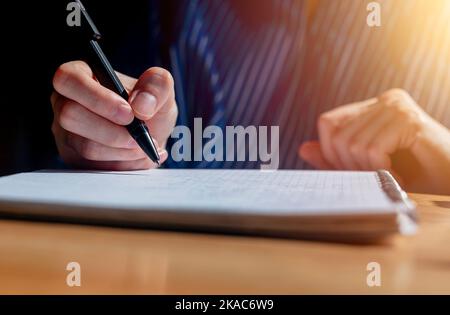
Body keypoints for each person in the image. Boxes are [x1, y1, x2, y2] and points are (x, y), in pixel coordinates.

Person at [50, 0, 450, 194]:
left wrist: (438, 148)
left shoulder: (433, 24)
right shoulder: (186, 11)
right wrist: (106, 136)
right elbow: (136, 127)